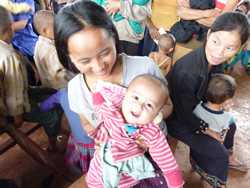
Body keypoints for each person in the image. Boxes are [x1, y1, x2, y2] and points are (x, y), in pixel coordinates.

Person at [54, 1, 173, 187]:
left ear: (114, 37)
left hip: (153, 153)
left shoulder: (144, 67)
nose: (99, 66)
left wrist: (148, 128)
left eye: (105, 52)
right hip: (117, 160)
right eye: (85, 60)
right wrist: (100, 139)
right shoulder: (76, 89)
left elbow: (167, 106)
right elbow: (86, 122)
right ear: (67, 57)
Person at [166, 12, 249, 188]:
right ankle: (215, 177)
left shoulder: (214, 61)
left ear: (240, 48)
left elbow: (214, 86)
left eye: (230, 48)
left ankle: (226, 154)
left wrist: (222, 101)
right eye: (216, 41)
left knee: (230, 123)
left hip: (198, 109)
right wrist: (208, 130)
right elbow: (185, 114)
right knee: (217, 153)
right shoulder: (188, 71)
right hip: (179, 120)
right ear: (209, 34)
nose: (219, 52)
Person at [86, 75, 184, 188]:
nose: (139, 105)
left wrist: (176, 184)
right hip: (99, 166)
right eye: (136, 98)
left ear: (156, 114)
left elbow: (166, 160)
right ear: (125, 96)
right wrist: (97, 93)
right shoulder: (111, 110)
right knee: (93, 183)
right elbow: (99, 108)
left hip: (125, 177)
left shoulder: (151, 132)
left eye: (149, 105)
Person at [0, 5, 61, 151]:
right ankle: (53, 144)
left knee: (53, 94)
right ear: (9, 29)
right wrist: (17, 117)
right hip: (14, 109)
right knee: (51, 114)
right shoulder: (8, 57)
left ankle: (55, 126)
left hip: (19, 96)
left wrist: (32, 68)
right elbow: (13, 93)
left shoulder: (5, 49)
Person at [33, 10, 74, 89]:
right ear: (45, 31)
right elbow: (62, 74)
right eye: (56, 27)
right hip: (63, 88)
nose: (59, 29)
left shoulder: (39, 44)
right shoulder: (50, 51)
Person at [170, 0, 238, 43]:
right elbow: (181, 10)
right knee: (179, 36)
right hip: (193, 21)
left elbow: (219, 21)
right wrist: (206, 14)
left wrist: (189, 14)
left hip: (207, 28)